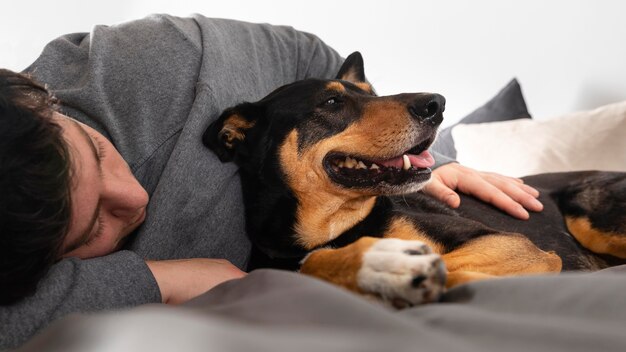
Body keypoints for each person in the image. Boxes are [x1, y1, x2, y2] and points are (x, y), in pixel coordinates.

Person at [0, 14, 542, 349]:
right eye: (94, 224)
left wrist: (425, 160)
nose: (135, 198)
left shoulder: (160, 60)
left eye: (99, 154)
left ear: (46, 100)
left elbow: (325, 70)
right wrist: (156, 278)